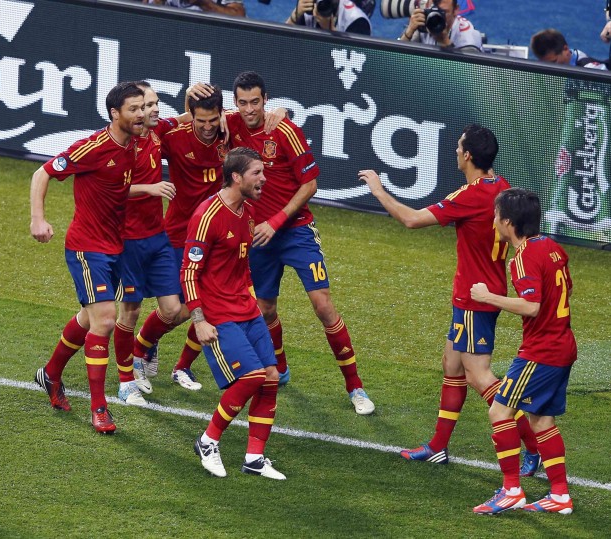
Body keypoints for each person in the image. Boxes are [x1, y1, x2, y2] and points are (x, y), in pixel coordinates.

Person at [358, 124, 539, 470]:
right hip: (480, 293)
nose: (455, 151)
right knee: (452, 365)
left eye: (458, 147)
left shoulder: (471, 196)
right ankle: (438, 447)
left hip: (475, 299)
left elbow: (412, 220)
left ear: (467, 155)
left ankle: (533, 447)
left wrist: (378, 190)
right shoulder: (500, 187)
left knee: (479, 376)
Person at [222, 71, 375, 415]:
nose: (249, 109)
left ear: (265, 100)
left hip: (295, 230)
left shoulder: (285, 130)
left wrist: (277, 222)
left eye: (255, 102)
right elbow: (194, 117)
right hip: (258, 235)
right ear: (235, 102)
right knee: (265, 309)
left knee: (323, 306)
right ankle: (280, 367)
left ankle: (355, 387)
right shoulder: (229, 124)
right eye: (243, 102)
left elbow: (310, 184)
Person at [30, 82, 145, 434]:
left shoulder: (133, 143)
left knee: (88, 317)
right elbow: (42, 172)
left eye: (143, 108)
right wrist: (38, 219)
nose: (141, 114)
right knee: (105, 320)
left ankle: (50, 374)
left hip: (115, 247)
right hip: (86, 247)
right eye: (134, 109)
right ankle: (99, 408)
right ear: (114, 113)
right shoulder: (92, 147)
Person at [470, 188, 577, 515]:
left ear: (508, 222)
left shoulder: (523, 257)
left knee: (499, 412)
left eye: (496, 215)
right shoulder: (552, 247)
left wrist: (488, 297)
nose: (493, 220)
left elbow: (532, 306)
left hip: (541, 352)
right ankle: (560, 495)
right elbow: (565, 289)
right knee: (541, 420)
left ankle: (511, 490)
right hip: (563, 346)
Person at [184, 147, 285, 480]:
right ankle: (208, 441)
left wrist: (252, 300)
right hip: (218, 314)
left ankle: (254, 457)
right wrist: (199, 321)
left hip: (246, 309)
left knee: (270, 378)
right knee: (252, 376)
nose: (264, 179)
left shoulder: (248, 212)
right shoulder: (207, 215)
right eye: (257, 173)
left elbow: (240, 266)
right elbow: (188, 273)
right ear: (237, 177)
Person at [128, 86, 230, 392]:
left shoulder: (230, 132)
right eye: (201, 120)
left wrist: (280, 111)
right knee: (175, 309)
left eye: (214, 120)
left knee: (212, 303)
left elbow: (266, 117)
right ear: (191, 116)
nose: (208, 127)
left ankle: (182, 366)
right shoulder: (173, 136)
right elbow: (142, 134)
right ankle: (142, 346)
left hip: (217, 235)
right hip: (177, 234)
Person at [113, 81, 184, 404]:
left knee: (172, 308)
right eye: (146, 105)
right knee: (129, 311)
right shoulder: (123, 143)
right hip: (128, 241)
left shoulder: (159, 131)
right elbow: (111, 188)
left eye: (155, 104)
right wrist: (150, 189)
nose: (153, 110)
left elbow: (189, 117)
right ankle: (125, 380)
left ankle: (140, 351)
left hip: (158, 238)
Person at [398, 0, 482, 52]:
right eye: (432, 10)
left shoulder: (468, 37)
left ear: (456, 10)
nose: (436, 16)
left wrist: (444, 42)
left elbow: (467, 72)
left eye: (443, 12)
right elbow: (398, 59)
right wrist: (409, 32)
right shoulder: (423, 21)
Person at [530, 29, 609, 70]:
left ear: (565, 49)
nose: (549, 67)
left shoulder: (590, 68)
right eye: (544, 63)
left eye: (554, 61)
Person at [286, 0, 372, 35]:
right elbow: (282, 46)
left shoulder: (357, 20)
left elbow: (355, 63)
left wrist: (329, 30)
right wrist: (294, 18)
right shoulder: (308, 7)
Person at [144, 0, 245, 17]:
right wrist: (158, 2)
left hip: (210, 35)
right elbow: (142, 14)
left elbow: (239, 15)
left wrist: (204, 3)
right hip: (170, 33)